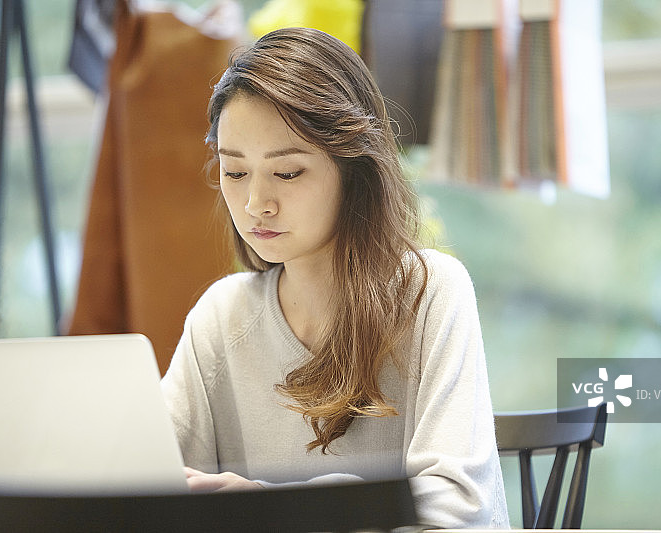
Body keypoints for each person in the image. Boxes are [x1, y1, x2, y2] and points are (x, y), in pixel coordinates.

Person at [160, 27, 509, 529]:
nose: (257, 203)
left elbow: (457, 510)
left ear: (354, 169)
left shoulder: (432, 293)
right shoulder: (222, 315)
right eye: (235, 173)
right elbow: (150, 486)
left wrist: (273, 506)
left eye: (287, 173)